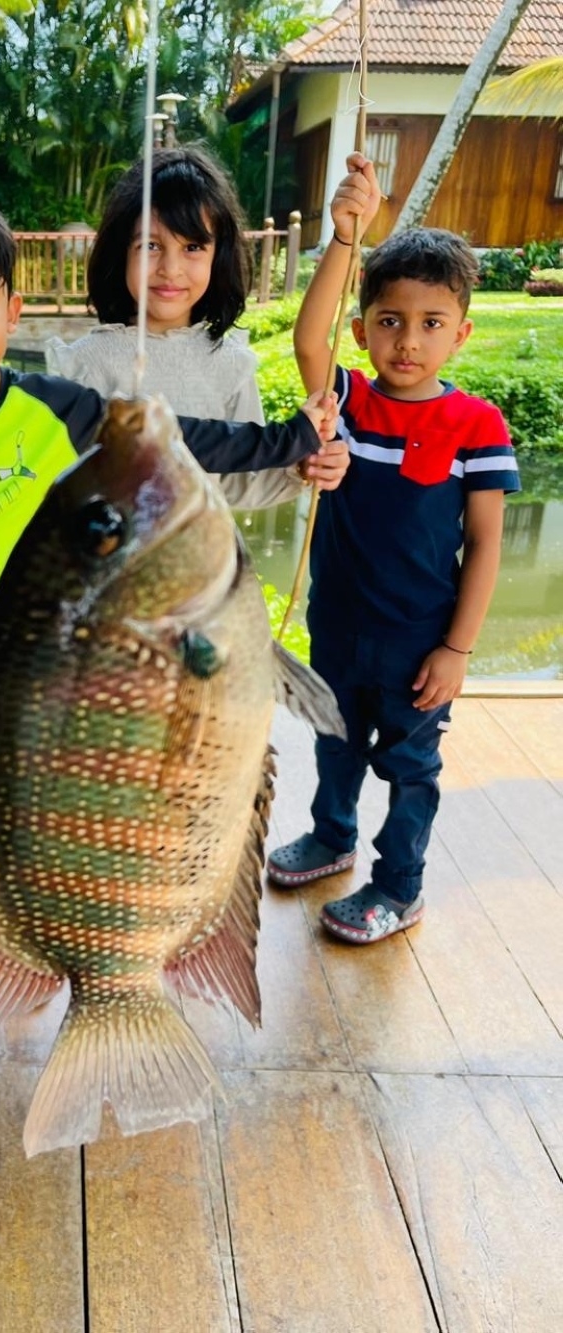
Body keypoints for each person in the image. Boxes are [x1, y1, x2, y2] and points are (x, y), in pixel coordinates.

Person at [0, 189, 339, 994]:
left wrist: (291, 437)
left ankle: (41, 928)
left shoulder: (56, 406)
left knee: (34, 802)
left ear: (15, 308)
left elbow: (181, 436)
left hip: (46, 663)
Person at [266, 154, 521, 944]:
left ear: (462, 332)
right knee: (334, 741)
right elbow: (307, 338)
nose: (408, 341)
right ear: (363, 327)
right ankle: (332, 835)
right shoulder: (347, 401)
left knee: (411, 770)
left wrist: (458, 648)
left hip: (420, 639)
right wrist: (347, 238)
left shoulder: (478, 426)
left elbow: (483, 545)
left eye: (431, 323)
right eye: (390, 321)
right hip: (338, 623)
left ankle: (398, 884)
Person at [45, 147, 350, 504]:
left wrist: (302, 466)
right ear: (121, 252)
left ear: (217, 256)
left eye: (192, 247)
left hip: (201, 555)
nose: (170, 269)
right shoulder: (84, 364)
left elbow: (239, 485)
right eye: (151, 245)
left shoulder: (229, 362)